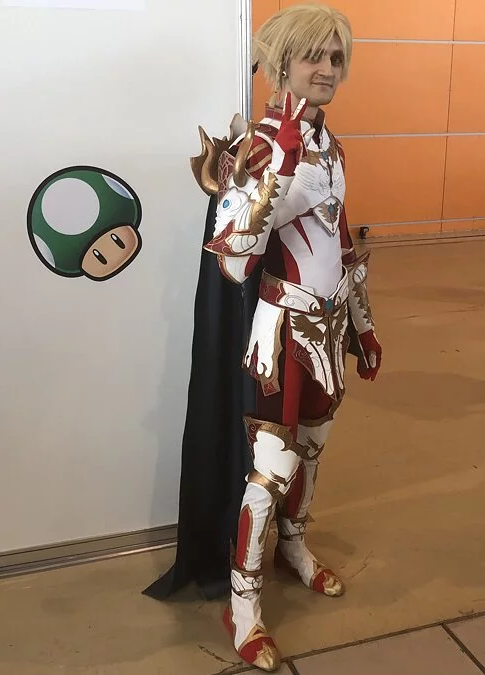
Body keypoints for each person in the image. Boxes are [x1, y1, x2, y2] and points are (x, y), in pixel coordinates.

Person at [189, 4, 380, 671]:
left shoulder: (333, 144)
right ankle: (242, 604)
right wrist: (281, 168)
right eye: (313, 56)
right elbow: (234, 260)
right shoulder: (262, 145)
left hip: (329, 327)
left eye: (336, 57)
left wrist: (364, 325)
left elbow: (340, 237)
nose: (328, 69)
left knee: (315, 451)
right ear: (282, 62)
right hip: (281, 332)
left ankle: (293, 546)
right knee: (271, 470)